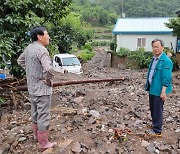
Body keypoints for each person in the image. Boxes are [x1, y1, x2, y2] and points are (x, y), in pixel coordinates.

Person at [17, 26, 55, 149]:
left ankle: (35, 135)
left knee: (35, 111)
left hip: (32, 87)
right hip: (42, 89)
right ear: (39, 36)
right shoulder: (42, 50)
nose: (49, 37)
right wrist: (47, 79)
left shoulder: (29, 48)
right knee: (43, 114)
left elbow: (20, 61)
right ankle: (43, 142)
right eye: (47, 34)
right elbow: (48, 69)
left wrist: (31, 72)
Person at [145, 39, 173, 137]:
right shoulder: (154, 59)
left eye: (157, 46)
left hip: (159, 90)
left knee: (157, 109)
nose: (155, 48)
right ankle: (154, 125)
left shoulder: (166, 61)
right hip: (152, 88)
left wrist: (163, 92)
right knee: (153, 108)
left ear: (162, 47)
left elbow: (167, 78)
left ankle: (157, 131)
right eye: (154, 46)